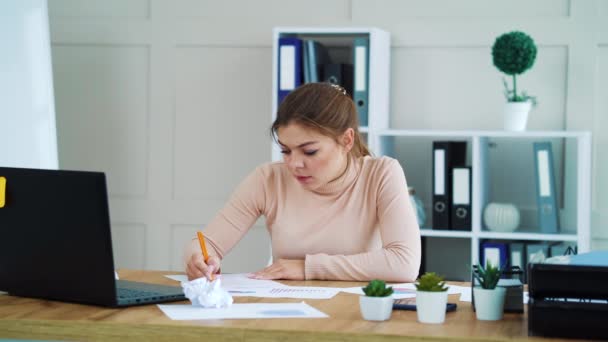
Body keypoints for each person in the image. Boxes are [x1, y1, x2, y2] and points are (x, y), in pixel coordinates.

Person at [184, 82, 421, 282]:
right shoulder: (267, 179)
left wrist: (305, 268)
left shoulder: (381, 174)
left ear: (347, 140)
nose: (294, 164)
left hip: (357, 313)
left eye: (309, 152)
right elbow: (207, 243)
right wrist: (198, 259)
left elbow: (404, 263)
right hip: (286, 310)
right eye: (286, 151)